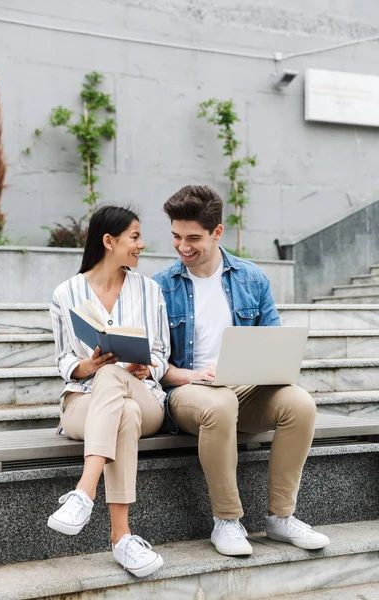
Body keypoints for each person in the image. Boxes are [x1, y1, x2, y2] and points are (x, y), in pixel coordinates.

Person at [153, 185, 330, 556]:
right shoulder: (160, 287)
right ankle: (228, 521)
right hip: (188, 392)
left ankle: (281, 518)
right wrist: (192, 376)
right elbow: (153, 366)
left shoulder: (252, 279)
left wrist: (258, 372)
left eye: (193, 238)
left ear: (217, 232)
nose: (183, 246)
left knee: (299, 403)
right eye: (176, 236)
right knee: (218, 406)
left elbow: (277, 346)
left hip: (244, 390)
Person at [48, 205, 170, 578]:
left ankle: (84, 493)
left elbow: (162, 353)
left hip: (145, 397)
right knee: (118, 402)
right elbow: (63, 361)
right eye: (135, 237)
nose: (142, 244)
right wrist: (89, 365)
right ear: (109, 241)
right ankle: (122, 538)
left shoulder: (149, 290)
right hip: (84, 401)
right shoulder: (65, 293)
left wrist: (146, 366)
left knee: (117, 383)